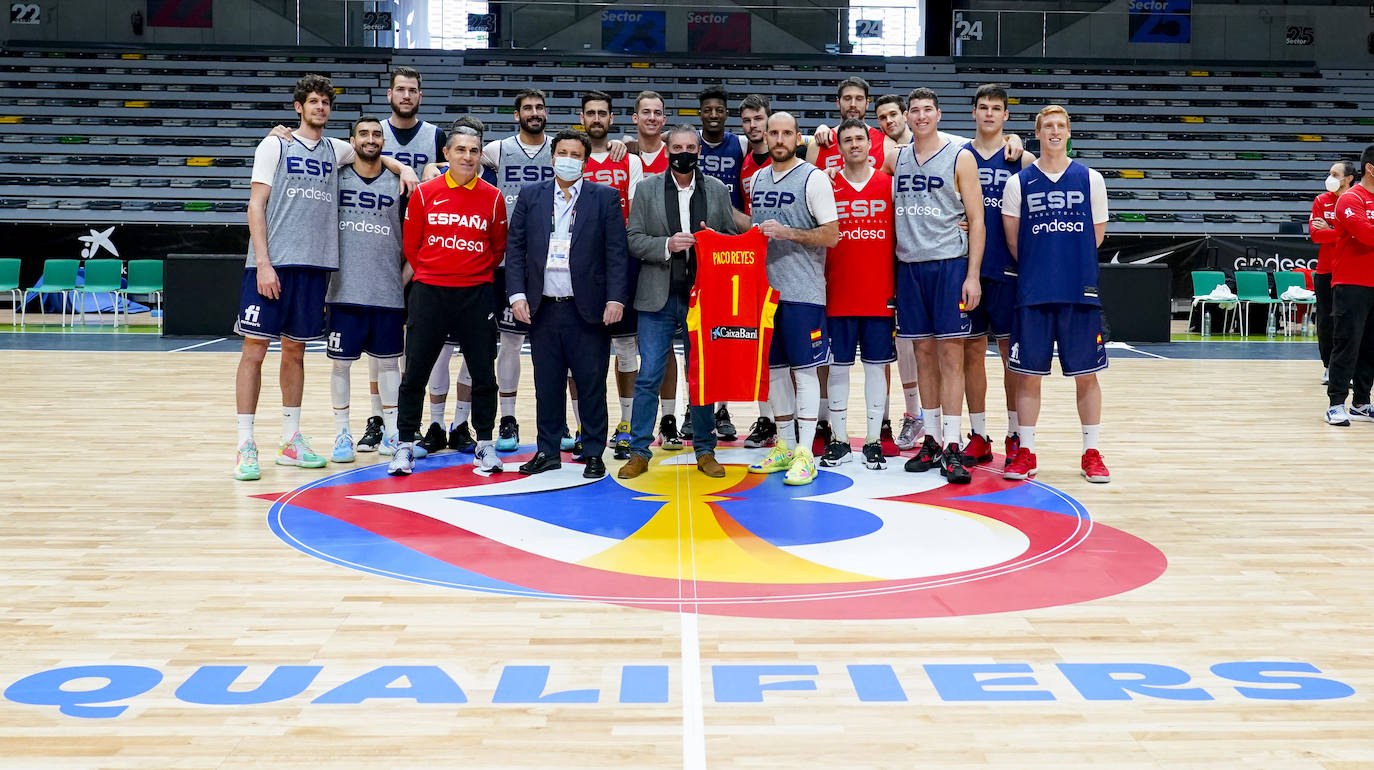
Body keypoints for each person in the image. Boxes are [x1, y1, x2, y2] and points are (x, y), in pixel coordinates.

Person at [233, 74, 416, 481]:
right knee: (254, 352)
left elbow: (373, 153)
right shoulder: (275, 144)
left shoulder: (337, 149)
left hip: (315, 268)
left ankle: (290, 438)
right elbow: (255, 205)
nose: (320, 108)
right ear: (299, 107)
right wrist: (263, 262)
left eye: (325, 103)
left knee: (295, 354)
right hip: (273, 265)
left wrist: (401, 166)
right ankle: (245, 443)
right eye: (313, 101)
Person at [618, 124, 745, 480]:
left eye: (691, 146)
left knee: (702, 376)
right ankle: (640, 450)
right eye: (677, 146)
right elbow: (633, 239)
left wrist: (714, 239)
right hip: (658, 294)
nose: (684, 152)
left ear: (699, 152)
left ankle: (705, 449)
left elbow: (731, 241)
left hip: (703, 298)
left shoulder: (717, 190)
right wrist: (666, 245)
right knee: (649, 376)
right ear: (666, 148)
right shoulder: (646, 188)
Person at [506, 129, 631, 479]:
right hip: (542, 307)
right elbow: (514, 249)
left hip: (588, 307)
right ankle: (547, 451)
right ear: (552, 157)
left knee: (591, 384)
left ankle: (593, 452)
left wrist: (616, 298)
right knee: (547, 385)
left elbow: (616, 253)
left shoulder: (603, 197)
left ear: (585, 161)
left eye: (576, 154)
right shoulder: (531, 196)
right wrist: (516, 295)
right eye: (563, 152)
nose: (568, 159)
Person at [387, 125, 507, 477]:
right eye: (460, 150)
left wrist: (470, 273)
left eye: (473, 151)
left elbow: (497, 246)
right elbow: (412, 245)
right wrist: (436, 272)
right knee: (416, 373)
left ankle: (484, 444)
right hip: (430, 292)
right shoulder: (425, 194)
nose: (467, 157)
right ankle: (405, 445)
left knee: (484, 374)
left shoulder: (493, 197)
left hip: (476, 292)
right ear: (448, 154)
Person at [1000, 105, 1111, 482]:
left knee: (1087, 376)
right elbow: (1014, 241)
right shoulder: (1019, 183)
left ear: (1068, 132)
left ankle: (1091, 451)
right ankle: (1026, 451)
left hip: (1079, 290)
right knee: (1028, 376)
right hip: (1033, 291)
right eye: (1048, 125)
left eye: (1061, 125)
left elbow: (1096, 236)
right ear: (1038, 133)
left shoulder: (1090, 179)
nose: (1054, 131)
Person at [891, 87, 985, 485]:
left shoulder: (960, 156)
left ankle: (952, 443)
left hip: (949, 265)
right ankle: (930, 439)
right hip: (909, 266)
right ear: (907, 118)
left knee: (951, 357)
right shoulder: (895, 157)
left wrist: (973, 274)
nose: (921, 116)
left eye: (928, 110)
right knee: (923, 354)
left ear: (939, 114)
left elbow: (978, 220)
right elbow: (848, 157)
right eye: (915, 111)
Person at [745, 111, 839, 487]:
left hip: (803, 292)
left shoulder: (813, 178)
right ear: (764, 137)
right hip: (766, 293)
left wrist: (788, 233)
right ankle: (784, 446)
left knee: (804, 370)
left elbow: (831, 235)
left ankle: (805, 452)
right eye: (774, 133)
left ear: (798, 138)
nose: (779, 139)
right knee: (775, 371)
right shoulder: (757, 179)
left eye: (787, 133)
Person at [325, 116, 407, 464]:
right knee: (341, 366)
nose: (371, 139)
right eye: (364, 134)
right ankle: (342, 432)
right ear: (352, 140)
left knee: (390, 365)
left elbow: (415, 241)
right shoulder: (335, 177)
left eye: (377, 134)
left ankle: (391, 432)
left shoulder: (401, 183)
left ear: (384, 142)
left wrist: (400, 279)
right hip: (344, 290)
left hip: (387, 290)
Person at [962, 84, 1036, 469]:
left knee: (1012, 359)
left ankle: (1014, 434)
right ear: (973, 112)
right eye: (983, 107)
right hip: (968, 272)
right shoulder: (959, 156)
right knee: (972, 355)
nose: (989, 113)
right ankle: (978, 435)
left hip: (1008, 272)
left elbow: (1048, 167)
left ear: (1006, 116)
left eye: (996, 108)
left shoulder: (1021, 160)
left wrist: (1022, 145)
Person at [822, 119, 896, 471]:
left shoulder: (889, 185)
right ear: (839, 146)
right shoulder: (826, 186)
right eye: (847, 139)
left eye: (859, 139)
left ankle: (872, 440)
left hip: (880, 291)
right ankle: (837, 439)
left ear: (871, 144)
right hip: (838, 291)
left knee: (875, 368)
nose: (854, 144)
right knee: (838, 367)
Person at [579, 90, 645, 460]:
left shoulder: (629, 160)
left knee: (624, 348)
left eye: (602, 113)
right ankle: (583, 424)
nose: (597, 119)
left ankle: (627, 423)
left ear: (612, 118)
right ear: (582, 117)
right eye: (591, 113)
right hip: (581, 267)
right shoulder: (571, 155)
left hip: (620, 262)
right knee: (584, 349)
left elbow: (634, 215)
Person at [736, 93, 780, 450]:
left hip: (794, 261)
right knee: (762, 346)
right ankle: (767, 418)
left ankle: (810, 421)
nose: (754, 125)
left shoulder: (794, 153)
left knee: (793, 349)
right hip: (758, 261)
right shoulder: (746, 161)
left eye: (759, 119)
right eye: (748, 120)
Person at [1326, 144, 1374, 426]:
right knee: (1347, 344)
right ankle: (1335, 404)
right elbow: (1366, 236)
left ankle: (1361, 402)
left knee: (1371, 346)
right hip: (1351, 283)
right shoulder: (1350, 199)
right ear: (1370, 167)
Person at [1310, 160, 1355, 385]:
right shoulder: (1321, 200)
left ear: (1349, 178)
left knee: (1349, 322)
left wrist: (1331, 230)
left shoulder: (1357, 200)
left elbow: (1361, 234)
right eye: (1329, 173)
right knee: (1326, 322)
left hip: (1350, 271)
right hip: (1326, 271)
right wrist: (1343, 233)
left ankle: (1351, 369)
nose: (1330, 178)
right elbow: (1316, 235)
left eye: (1335, 174)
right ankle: (1329, 367)